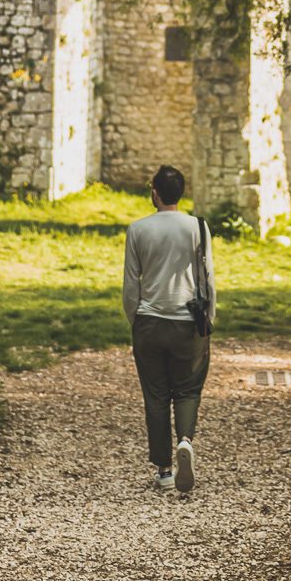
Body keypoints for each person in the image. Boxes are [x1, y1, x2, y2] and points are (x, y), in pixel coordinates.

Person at [122, 164, 216, 493]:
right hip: (187, 324)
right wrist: (210, 321)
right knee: (188, 390)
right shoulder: (198, 228)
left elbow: (131, 284)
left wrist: (136, 320)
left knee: (156, 396)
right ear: (182, 193)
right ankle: (185, 441)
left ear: (154, 192)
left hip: (149, 322)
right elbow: (208, 280)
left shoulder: (137, 229)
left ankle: (163, 470)